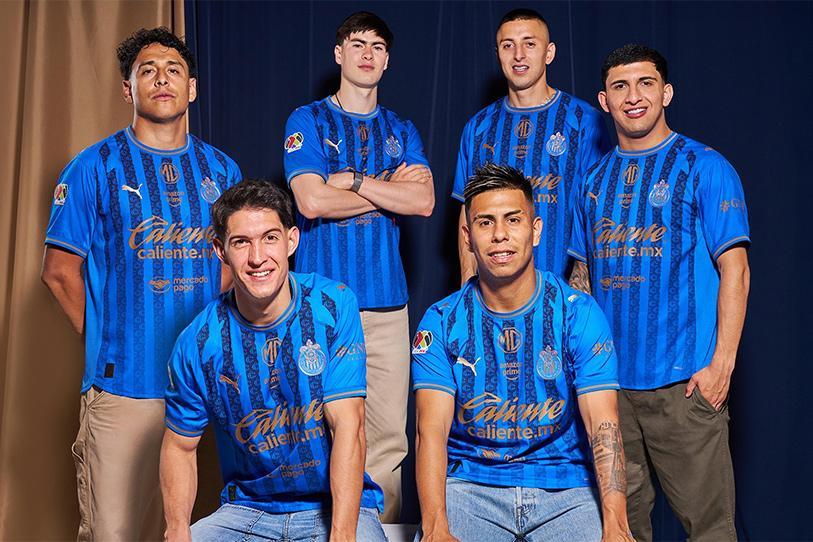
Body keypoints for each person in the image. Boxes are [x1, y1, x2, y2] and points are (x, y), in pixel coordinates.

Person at [41, 27, 241, 541]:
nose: (161, 79)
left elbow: (235, 262)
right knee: (116, 532)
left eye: (174, 70)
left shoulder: (221, 169)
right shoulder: (94, 166)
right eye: (147, 71)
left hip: (199, 387)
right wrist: (107, 334)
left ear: (192, 88)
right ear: (128, 89)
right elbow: (58, 270)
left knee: (183, 531)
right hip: (121, 389)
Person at [568, 44, 750, 542]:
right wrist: (580, 366)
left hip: (685, 385)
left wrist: (721, 365)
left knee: (710, 530)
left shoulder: (705, 167)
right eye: (620, 86)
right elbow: (582, 278)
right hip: (610, 389)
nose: (633, 96)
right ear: (604, 100)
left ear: (666, 92)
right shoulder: (592, 181)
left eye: (645, 83)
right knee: (621, 529)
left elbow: (736, 270)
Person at [413, 163, 632, 541]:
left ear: (535, 230)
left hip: (565, 487)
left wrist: (616, 524)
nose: (500, 235)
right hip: (472, 486)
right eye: (485, 223)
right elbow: (429, 432)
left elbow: (604, 425)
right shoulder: (441, 321)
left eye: (513, 220)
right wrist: (435, 528)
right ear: (467, 236)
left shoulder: (577, 313)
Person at [160, 179, 386, 542]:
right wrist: (177, 532)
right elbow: (179, 446)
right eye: (241, 242)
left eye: (269, 238)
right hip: (247, 511)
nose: (257, 257)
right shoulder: (197, 342)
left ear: (291, 240)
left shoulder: (333, 305)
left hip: (333, 506)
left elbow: (349, 426)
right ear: (220, 250)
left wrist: (342, 535)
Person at [283, 11, 434, 522]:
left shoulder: (401, 129)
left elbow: (423, 201)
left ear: (387, 60)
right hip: (318, 308)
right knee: (316, 432)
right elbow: (310, 201)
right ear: (338, 54)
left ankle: (378, 531)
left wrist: (352, 181)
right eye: (357, 43)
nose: (367, 54)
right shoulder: (306, 120)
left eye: (377, 46)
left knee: (387, 440)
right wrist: (390, 189)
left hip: (388, 310)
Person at [453, 8, 609, 283]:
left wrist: (578, 294)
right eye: (508, 45)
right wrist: (468, 283)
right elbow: (469, 213)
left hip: (561, 290)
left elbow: (596, 210)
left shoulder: (585, 121)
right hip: (494, 292)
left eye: (529, 44)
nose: (518, 55)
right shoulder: (478, 127)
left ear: (549, 53)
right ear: (498, 54)